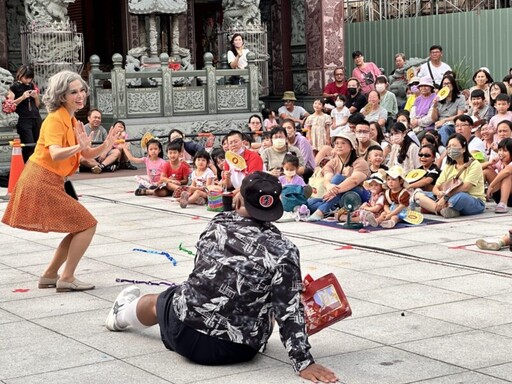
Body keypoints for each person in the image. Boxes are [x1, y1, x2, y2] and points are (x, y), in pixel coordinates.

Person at [104, 171, 338, 383]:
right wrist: (303, 362)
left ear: (239, 198)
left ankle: (120, 317)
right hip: (236, 349)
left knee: (162, 299)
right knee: (275, 295)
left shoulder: (218, 223)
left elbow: (203, 277)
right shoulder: (284, 250)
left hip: (184, 331)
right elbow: (288, 310)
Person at [2, 70, 123, 292]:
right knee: (87, 224)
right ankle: (66, 277)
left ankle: (50, 275)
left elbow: (84, 155)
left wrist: (107, 145)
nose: (80, 95)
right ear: (61, 96)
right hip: (40, 179)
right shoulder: (54, 120)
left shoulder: (71, 119)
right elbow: (57, 153)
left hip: (50, 179)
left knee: (79, 226)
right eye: (73, 92)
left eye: (82, 91)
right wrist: (81, 146)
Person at [415, 133, 485, 218]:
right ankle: (445, 210)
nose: (451, 149)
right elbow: (436, 187)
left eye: (454, 146)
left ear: (463, 149)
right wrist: (439, 194)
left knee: (459, 197)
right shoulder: (449, 166)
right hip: (447, 197)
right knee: (418, 195)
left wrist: (445, 198)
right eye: (449, 147)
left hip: (472, 199)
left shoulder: (474, 164)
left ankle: (434, 208)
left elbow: (466, 187)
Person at [307, 132, 370, 221]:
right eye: (336, 143)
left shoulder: (360, 162)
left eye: (343, 143)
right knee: (310, 203)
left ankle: (321, 211)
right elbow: (327, 179)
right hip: (339, 196)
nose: (339, 146)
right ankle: (333, 210)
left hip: (360, 194)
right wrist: (329, 186)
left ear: (352, 146)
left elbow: (354, 180)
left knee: (338, 178)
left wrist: (333, 191)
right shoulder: (332, 162)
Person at [9, 65, 42, 162]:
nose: (28, 80)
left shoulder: (31, 85)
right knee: (29, 144)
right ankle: (26, 165)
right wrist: (22, 97)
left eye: (30, 78)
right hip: (23, 119)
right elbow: (10, 104)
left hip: (35, 117)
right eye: (26, 78)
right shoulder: (14, 87)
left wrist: (36, 97)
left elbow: (37, 105)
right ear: (20, 75)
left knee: (38, 143)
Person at [79, 109, 120, 173]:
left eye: (99, 118)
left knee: (116, 152)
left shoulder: (102, 130)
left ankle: (100, 166)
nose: (97, 120)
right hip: (89, 154)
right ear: (89, 118)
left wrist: (104, 152)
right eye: (95, 117)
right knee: (81, 158)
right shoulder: (84, 129)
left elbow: (107, 144)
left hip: (100, 153)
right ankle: (104, 167)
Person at [434, 75, 467, 146]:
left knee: (444, 129)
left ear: (453, 85)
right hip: (439, 125)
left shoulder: (460, 98)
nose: (446, 85)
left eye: (448, 83)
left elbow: (460, 115)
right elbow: (434, 118)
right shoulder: (438, 99)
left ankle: (446, 150)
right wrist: (434, 106)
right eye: (444, 84)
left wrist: (445, 120)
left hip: (453, 124)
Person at [485, 137, 512, 213]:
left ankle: (503, 203)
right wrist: (490, 163)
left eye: (505, 151)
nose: (501, 153)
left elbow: (506, 172)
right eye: (499, 150)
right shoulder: (499, 161)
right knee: (487, 170)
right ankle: (475, 199)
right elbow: (479, 168)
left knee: (507, 175)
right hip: (499, 195)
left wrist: (491, 186)